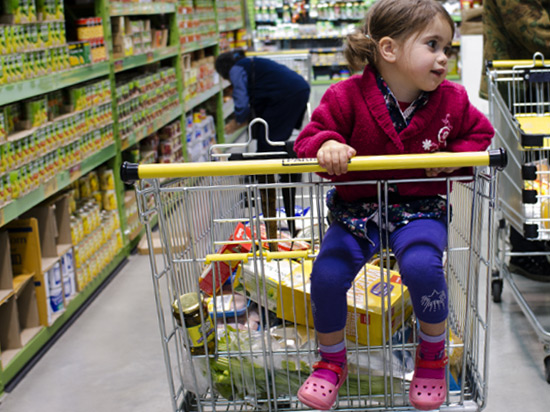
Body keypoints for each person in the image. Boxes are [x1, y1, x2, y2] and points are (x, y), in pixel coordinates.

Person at [293, 0, 494, 410]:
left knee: (422, 267)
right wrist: (328, 145)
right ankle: (332, 362)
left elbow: (480, 134)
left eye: (448, 48)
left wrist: (451, 161)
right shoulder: (345, 96)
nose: (443, 58)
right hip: (356, 211)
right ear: (388, 49)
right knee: (327, 276)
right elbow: (309, 137)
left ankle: (432, 355)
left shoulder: (452, 101)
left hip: (420, 209)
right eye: (433, 45)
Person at [480, 0, 550, 281]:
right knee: (527, 168)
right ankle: (526, 247)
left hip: (537, 81)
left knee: (537, 169)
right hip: (520, 83)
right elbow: (533, 29)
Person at [214, 49, 310, 152]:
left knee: (269, 140)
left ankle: (270, 164)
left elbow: (241, 102)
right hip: (297, 89)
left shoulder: (235, 70)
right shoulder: (249, 63)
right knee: (270, 136)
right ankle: (271, 161)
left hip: (287, 95)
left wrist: (238, 121)